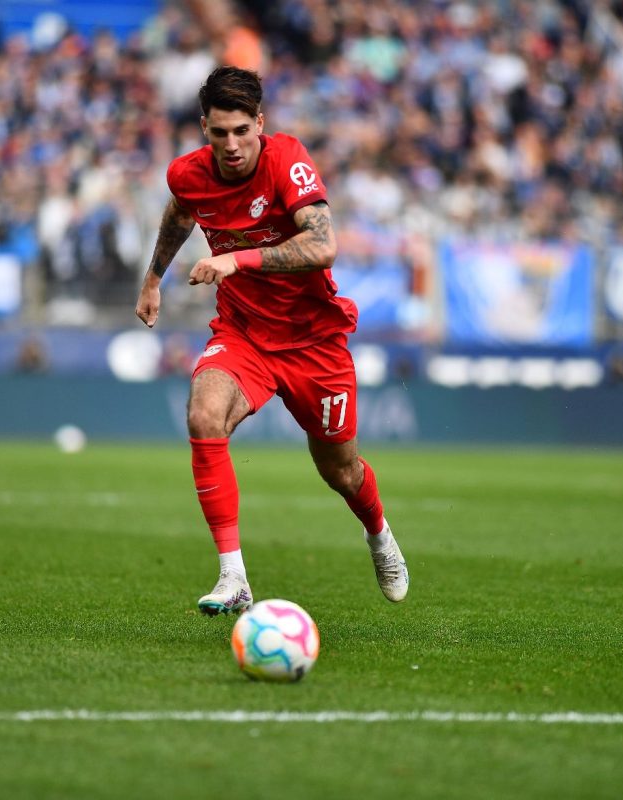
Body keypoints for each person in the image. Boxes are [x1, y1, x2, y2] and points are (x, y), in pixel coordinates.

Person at [134, 66, 409, 616]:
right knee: (204, 415)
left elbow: (323, 246)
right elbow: (180, 213)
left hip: (314, 341)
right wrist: (152, 278)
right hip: (244, 334)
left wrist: (238, 259)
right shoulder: (187, 174)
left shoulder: (287, 161)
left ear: (259, 123)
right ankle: (233, 576)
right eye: (219, 133)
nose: (232, 145)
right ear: (205, 129)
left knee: (340, 470)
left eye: (242, 131)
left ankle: (379, 533)